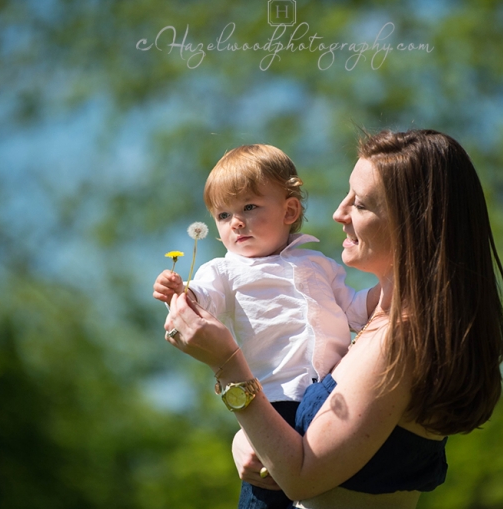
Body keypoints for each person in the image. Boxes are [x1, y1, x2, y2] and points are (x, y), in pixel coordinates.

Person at [162, 130, 503, 508]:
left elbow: (301, 477)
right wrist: (249, 437)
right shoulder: (377, 324)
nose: (338, 213)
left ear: (412, 222)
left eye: (359, 204)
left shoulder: (401, 339)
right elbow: (312, 438)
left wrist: (228, 364)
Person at [154, 144, 379, 509]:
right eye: (223, 215)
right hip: (272, 404)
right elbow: (200, 302)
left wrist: (392, 287)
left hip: (332, 397)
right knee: (265, 496)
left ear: (289, 210)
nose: (236, 222)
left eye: (249, 208)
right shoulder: (224, 270)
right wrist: (179, 292)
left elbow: (355, 311)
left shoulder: (319, 263)